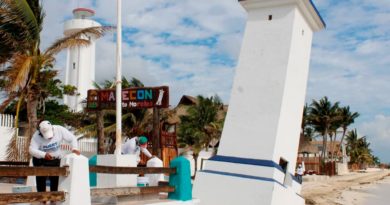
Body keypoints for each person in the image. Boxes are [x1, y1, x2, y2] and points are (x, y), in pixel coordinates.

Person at [29, 120, 80, 193]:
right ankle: (43, 200)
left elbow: (72, 138)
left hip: (55, 159)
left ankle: (53, 199)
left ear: (52, 128)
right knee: (41, 180)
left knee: (55, 180)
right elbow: (31, 150)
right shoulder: (36, 136)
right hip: (40, 160)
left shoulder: (59, 129)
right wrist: (44, 155)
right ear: (40, 132)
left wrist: (75, 148)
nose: (49, 138)